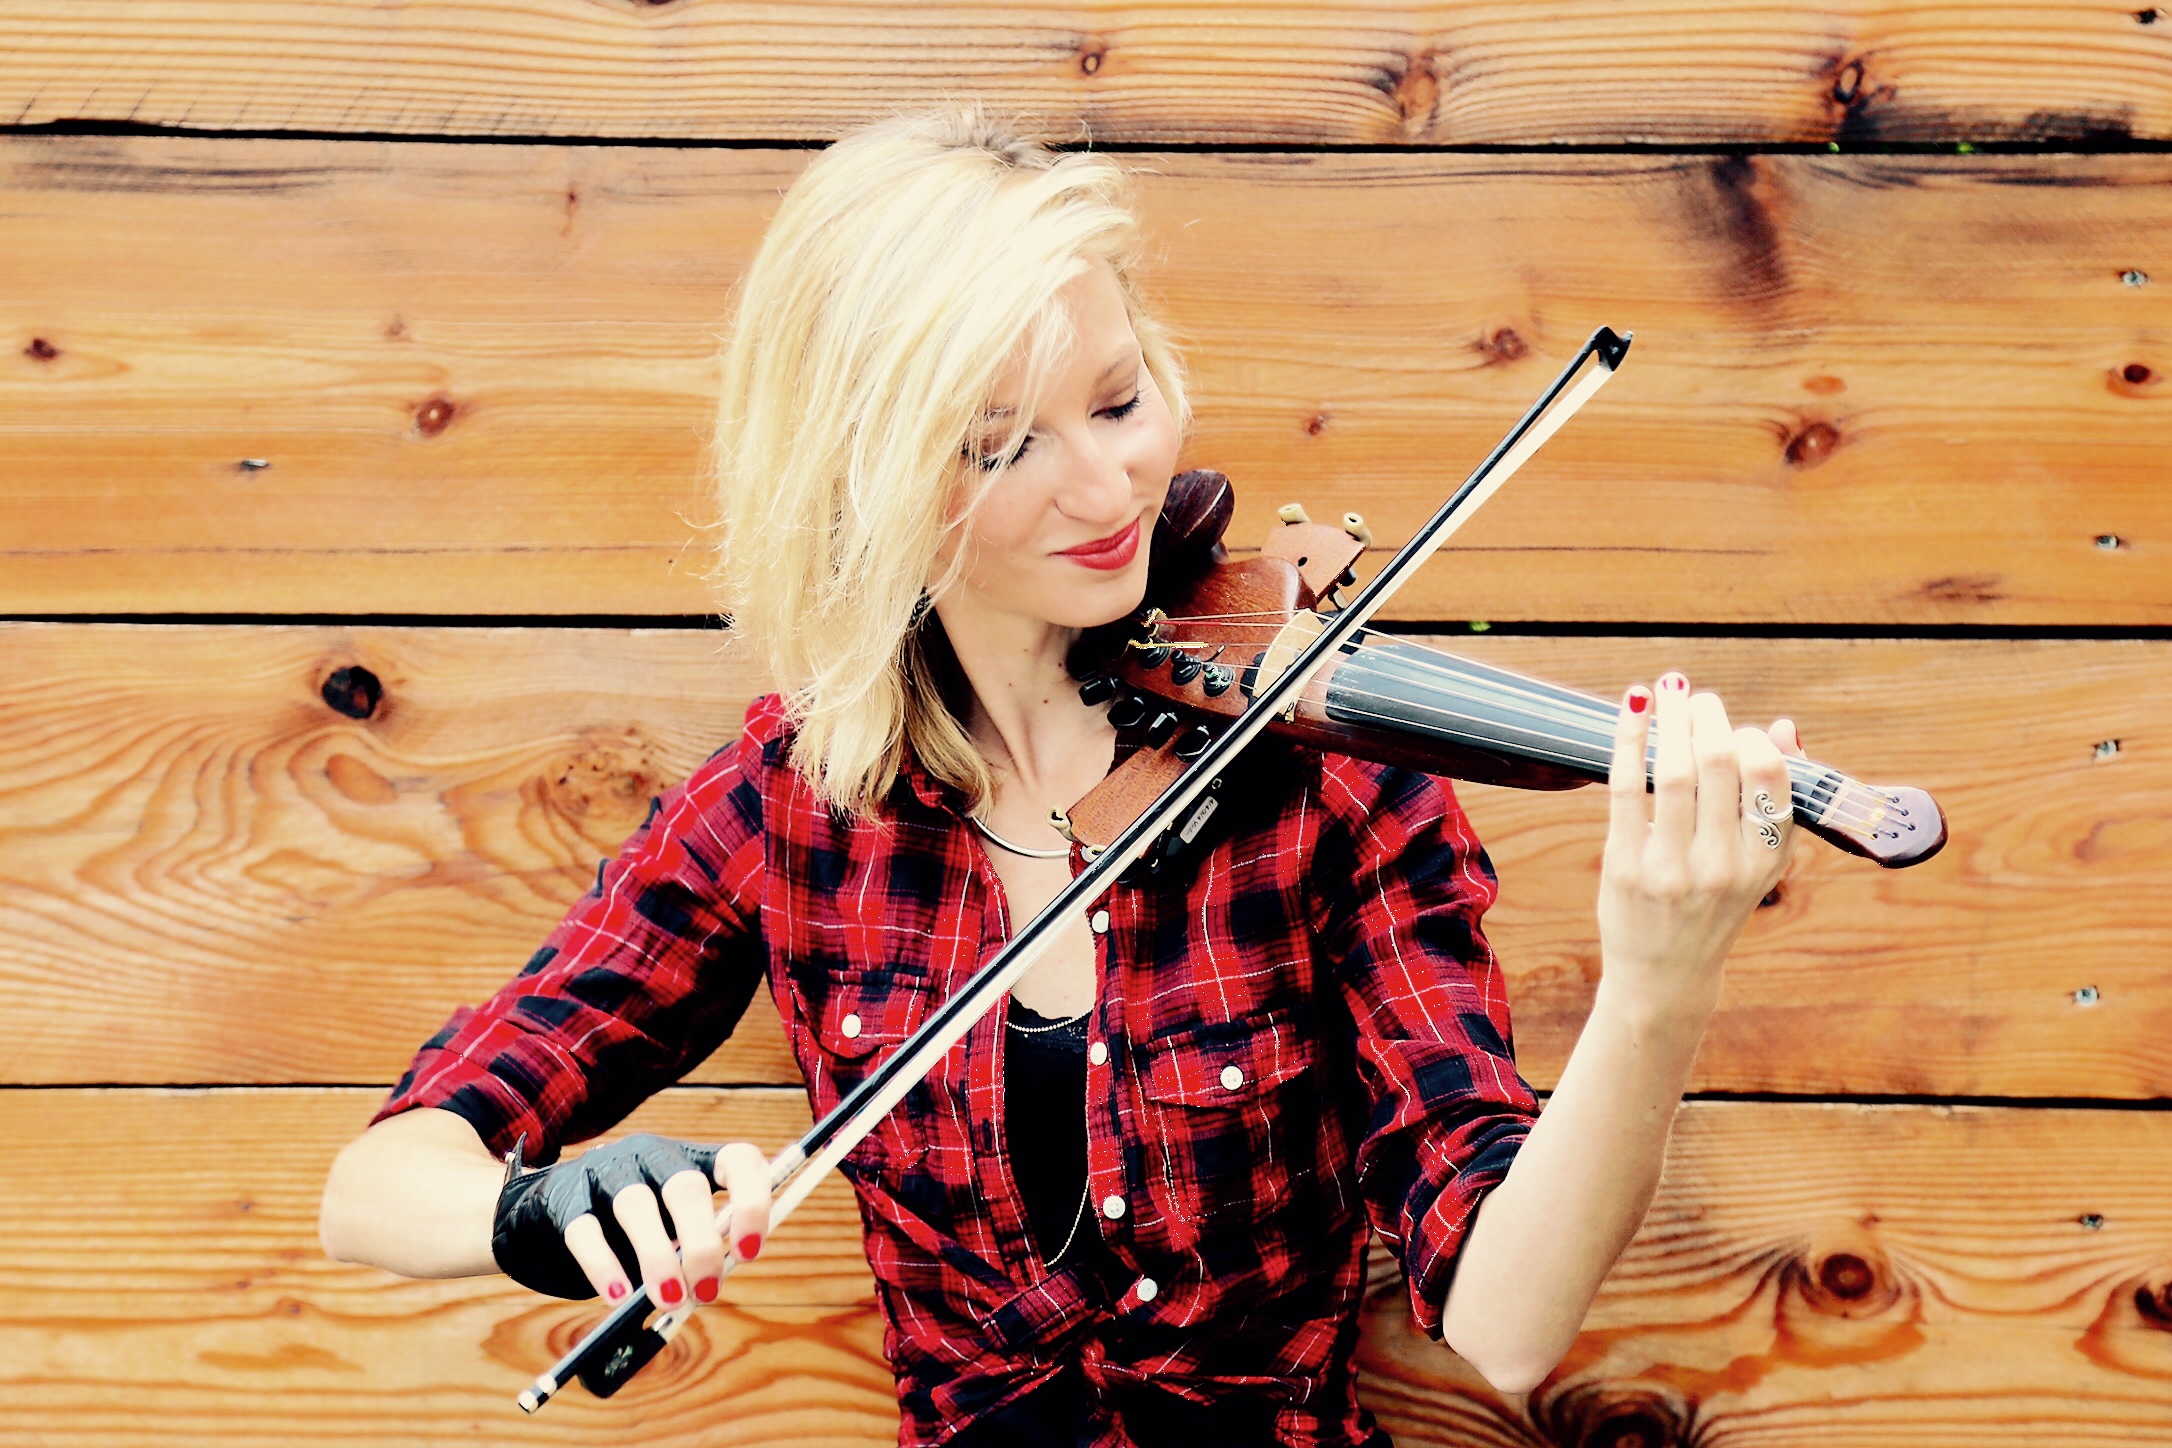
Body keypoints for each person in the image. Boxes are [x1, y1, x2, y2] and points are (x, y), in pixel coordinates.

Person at [318, 103, 1801, 1447]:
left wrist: (1658, 988)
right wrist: (533, 1212)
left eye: (1116, 397)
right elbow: (374, 1190)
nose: (1106, 491)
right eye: (995, 445)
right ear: (864, 478)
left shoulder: (1330, 771)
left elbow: (1505, 1321)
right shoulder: (789, 803)